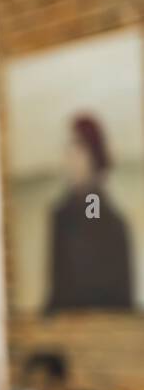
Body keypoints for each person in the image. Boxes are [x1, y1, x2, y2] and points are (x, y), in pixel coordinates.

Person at [45, 114, 134, 312]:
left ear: (92, 154)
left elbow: (90, 227)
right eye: (68, 147)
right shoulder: (63, 213)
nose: (68, 156)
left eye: (77, 147)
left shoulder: (94, 207)